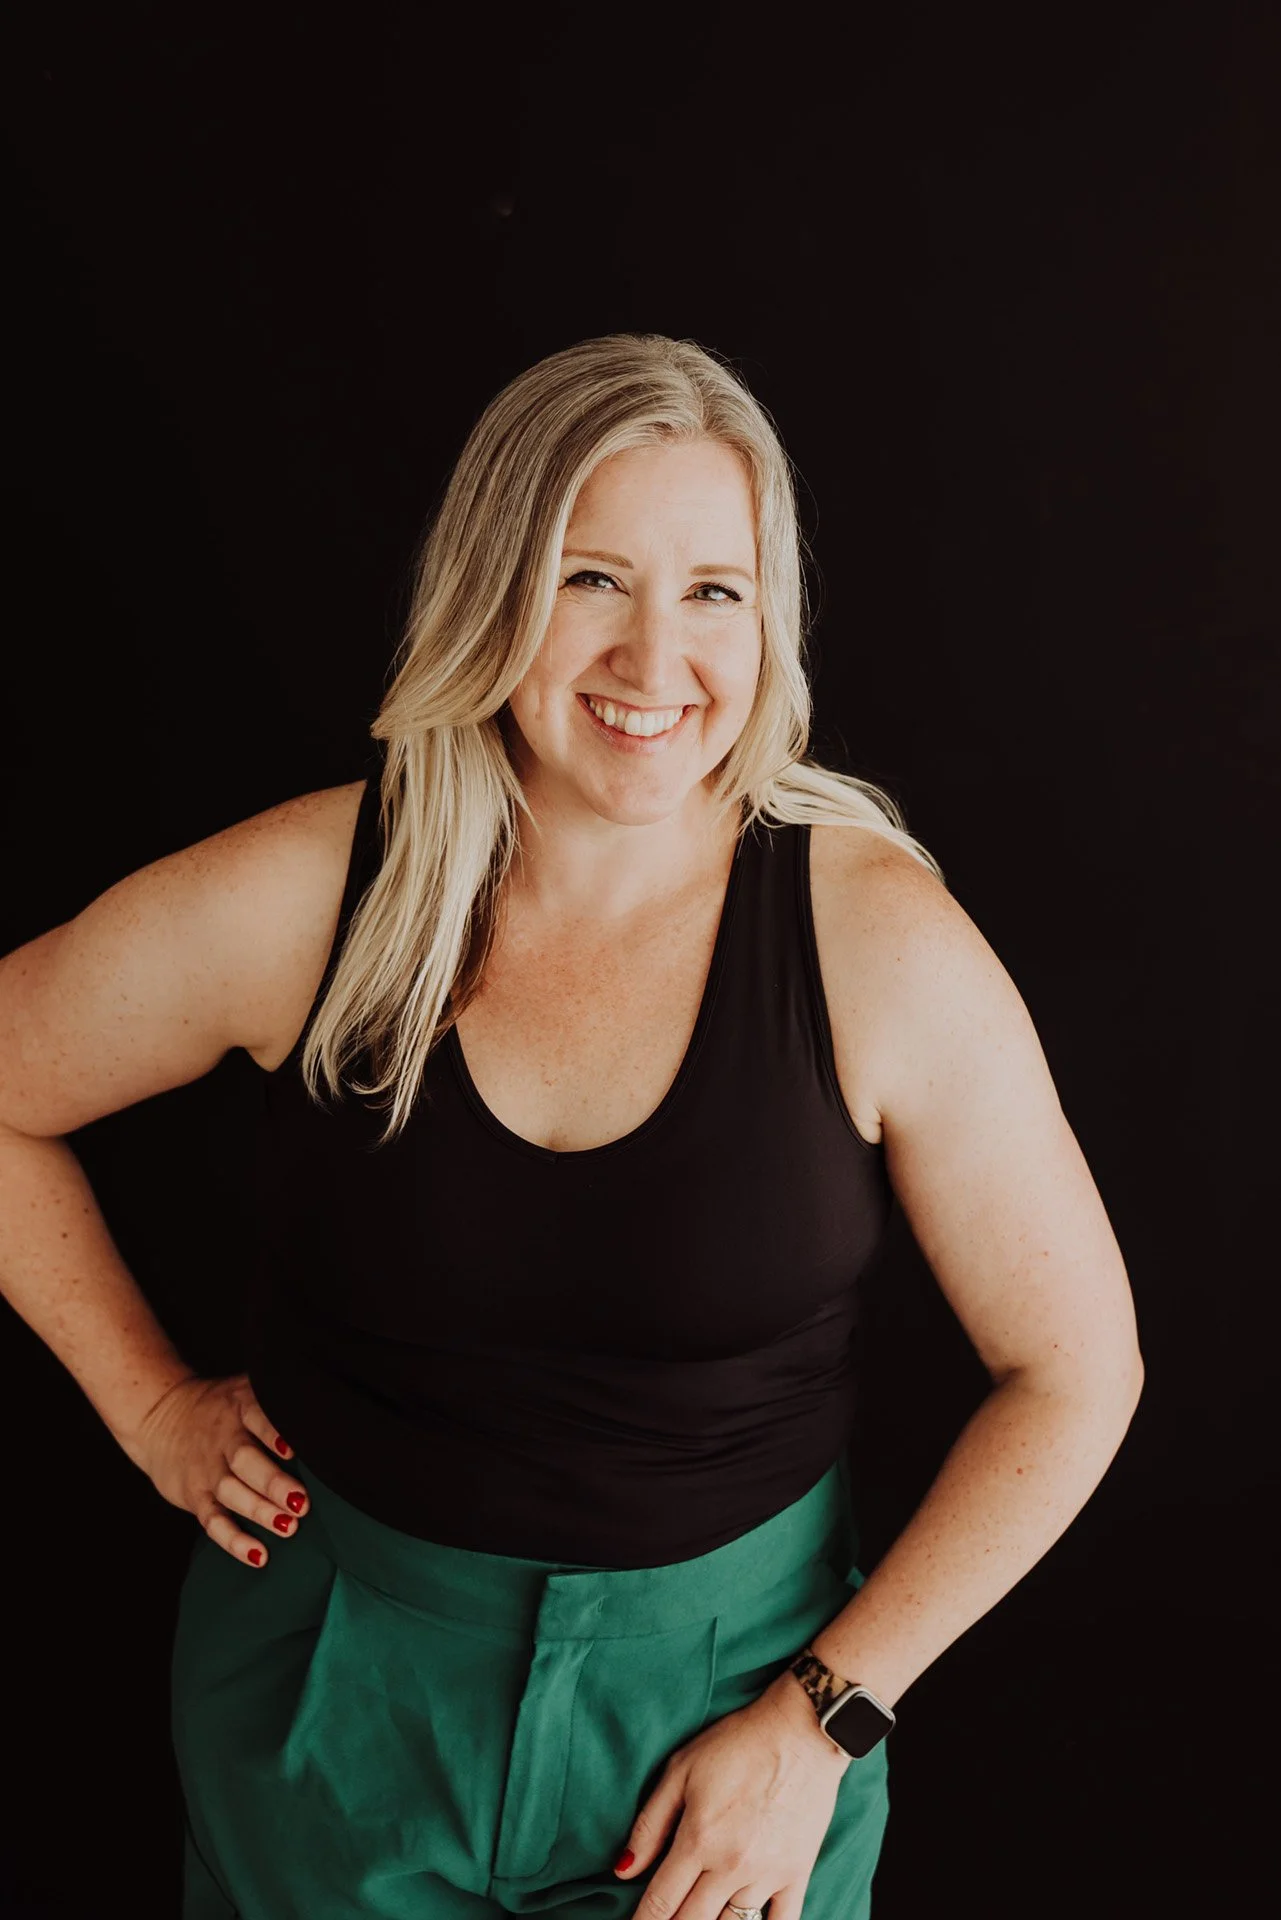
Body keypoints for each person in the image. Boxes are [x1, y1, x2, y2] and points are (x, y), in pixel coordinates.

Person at [0, 333, 1144, 1920]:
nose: (654, 655)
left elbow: (1080, 1371)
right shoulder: (313, 895)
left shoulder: (874, 942)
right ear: (492, 591)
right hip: (333, 1701)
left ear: (771, 619)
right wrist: (143, 1407)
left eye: (714, 591)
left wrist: (825, 1720)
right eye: (591, 577)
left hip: (732, 1719)